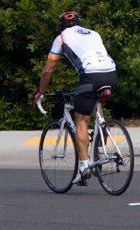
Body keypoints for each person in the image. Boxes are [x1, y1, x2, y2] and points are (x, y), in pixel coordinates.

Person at [33, 11, 117, 184]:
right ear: (79, 23)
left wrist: (41, 91)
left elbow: (48, 70)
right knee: (94, 101)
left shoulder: (61, 38)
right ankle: (100, 134)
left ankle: (84, 166)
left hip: (90, 76)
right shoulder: (94, 33)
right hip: (111, 73)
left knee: (81, 120)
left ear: (62, 26)